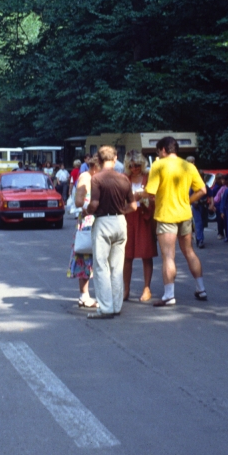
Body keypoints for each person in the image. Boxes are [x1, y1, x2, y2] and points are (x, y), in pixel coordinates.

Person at [144, 136, 208, 306]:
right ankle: (201, 289)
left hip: (166, 215)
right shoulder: (188, 166)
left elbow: (150, 192)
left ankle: (169, 295)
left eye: (159, 151)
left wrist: (138, 195)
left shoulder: (158, 165)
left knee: (168, 256)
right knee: (189, 252)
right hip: (185, 214)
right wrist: (188, 201)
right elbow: (202, 190)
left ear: (163, 150)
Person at [85, 146, 137, 319]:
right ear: (115, 159)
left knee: (101, 266)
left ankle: (106, 308)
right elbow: (133, 206)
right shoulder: (124, 179)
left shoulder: (97, 179)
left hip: (103, 222)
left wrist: (86, 211)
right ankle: (116, 305)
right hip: (120, 222)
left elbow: (94, 204)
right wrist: (122, 210)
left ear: (98, 161)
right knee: (117, 267)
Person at [123, 151, 157, 302]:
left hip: (145, 216)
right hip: (129, 216)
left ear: (142, 164)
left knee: (146, 253)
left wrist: (143, 197)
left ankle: (146, 288)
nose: (134, 168)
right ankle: (126, 289)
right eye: (131, 166)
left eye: (137, 165)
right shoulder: (125, 178)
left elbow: (155, 195)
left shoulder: (149, 177)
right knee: (126, 255)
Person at [68, 157, 100, 308]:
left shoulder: (93, 177)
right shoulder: (86, 177)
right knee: (85, 256)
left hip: (95, 220)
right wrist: (92, 207)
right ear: (95, 167)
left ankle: (88, 295)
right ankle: (84, 295)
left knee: (94, 258)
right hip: (88, 221)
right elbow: (79, 201)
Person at [186, 156, 207, 249]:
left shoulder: (195, 172)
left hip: (200, 201)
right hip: (192, 202)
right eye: (191, 162)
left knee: (201, 222)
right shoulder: (185, 173)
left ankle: (199, 237)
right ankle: (199, 239)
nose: (193, 164)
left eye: (194, 162)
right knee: (197, 222)